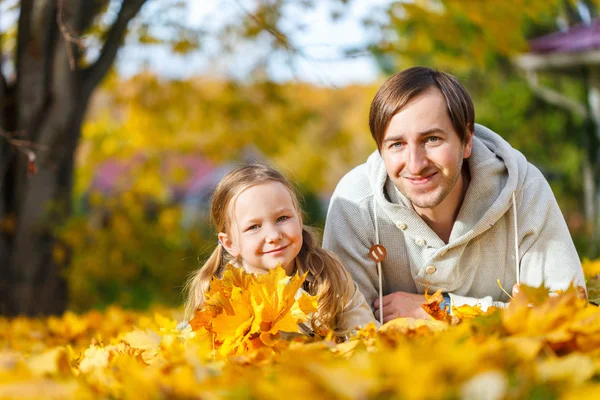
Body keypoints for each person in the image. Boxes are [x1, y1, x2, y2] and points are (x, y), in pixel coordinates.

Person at [323, 66, 585, 324]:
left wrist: (445, 309)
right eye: (397, 144)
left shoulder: (525, 190)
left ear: (467, 140)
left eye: (432, 139)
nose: (415, 164)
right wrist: (504, 313)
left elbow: (567, 310)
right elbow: (348, 328)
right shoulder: (355, 203)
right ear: (381, 150)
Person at [184, 164, 377, 336]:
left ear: (299, 218)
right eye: (254, 227)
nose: (273, 235)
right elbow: (199, 352)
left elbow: (364, 332)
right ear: (229, 244)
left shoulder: (327, 273)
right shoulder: (222, 293)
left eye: (282, 218)